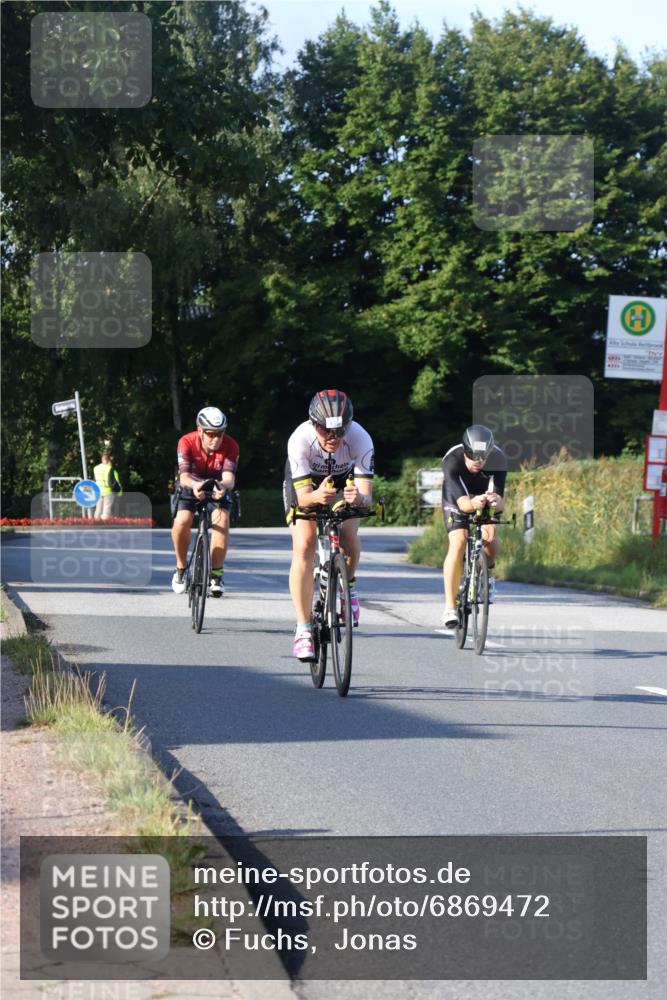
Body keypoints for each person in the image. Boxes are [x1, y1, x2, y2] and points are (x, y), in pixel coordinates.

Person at [284, 389, 374, 661]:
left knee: (348, 533)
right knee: (305, 544)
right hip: (307, 485)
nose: (333, 438)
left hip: (344, 484)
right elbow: (302, 499)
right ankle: (302, 628)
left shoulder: (360, 438)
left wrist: (358, 497)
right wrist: (315, 496)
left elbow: (367, 499)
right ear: (314, 424)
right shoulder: (300, 439)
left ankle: (350, 586)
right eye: (325, 431)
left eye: (340, 431)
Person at [441, 424, 507, 629]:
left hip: (483, 497)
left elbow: (501, 501)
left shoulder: (498, 458)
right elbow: (462, 504)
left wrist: (495, 500)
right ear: (465, 451)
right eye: (473, 456)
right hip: (458, 497)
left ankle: (487, 574)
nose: (478, 462)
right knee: (459, 541)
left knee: (491, 538)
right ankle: (450, 607)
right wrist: (473, 503)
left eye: (483, 457)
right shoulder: (452, 461)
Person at [171, 407, 239, 597]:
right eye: (211, 434)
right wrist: (194, 486)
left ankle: (216, 575)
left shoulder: (231, 445)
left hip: (217, 485)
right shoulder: (186, 441)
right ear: (200, 431)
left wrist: (222, 486)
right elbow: (183, 476)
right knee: (182, 521)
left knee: (222, 520)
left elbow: (229, 479)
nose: (216, 438)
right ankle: (181, 568)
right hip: (191, 483)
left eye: (220, 433)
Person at [93, 451, 122, 520]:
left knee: (98, 510)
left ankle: (95, 524)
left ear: (102, 459)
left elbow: (94, 480)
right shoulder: (109, 468)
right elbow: (111, 481)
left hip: (98, 492)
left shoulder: (96, 468)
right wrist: (118, 490)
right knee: (106, 510)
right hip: (108, 492)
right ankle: (104, 526)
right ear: (109, 460)